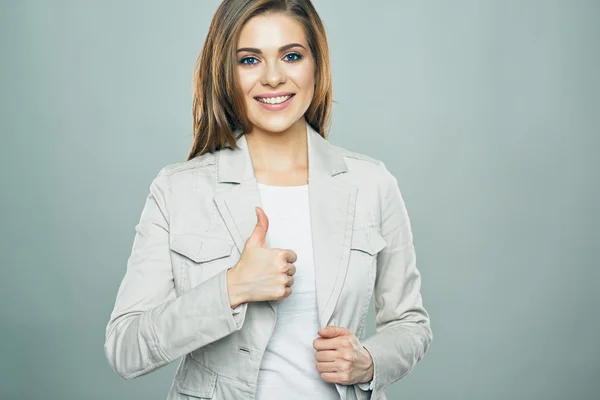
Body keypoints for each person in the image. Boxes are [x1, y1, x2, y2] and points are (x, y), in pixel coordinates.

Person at [104, 0, 432, 399]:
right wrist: (231, 288)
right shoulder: (178, 189)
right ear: (226, 71)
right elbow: (125, 349)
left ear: (316, 65)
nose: (274, 77)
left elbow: (410, 323)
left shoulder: (371, 182)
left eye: (291, 56)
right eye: (249, 60)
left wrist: (369, 361)